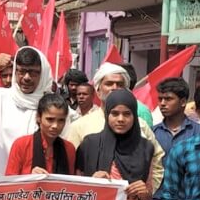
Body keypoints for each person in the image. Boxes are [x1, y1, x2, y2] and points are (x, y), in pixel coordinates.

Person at [63, 62, 164, 190]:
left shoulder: (141, 125)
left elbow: (157, 164)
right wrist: (88, 185)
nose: (114, 88)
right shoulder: (79, 126)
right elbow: (71, 168)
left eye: (120, 85)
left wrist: (146, 193)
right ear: (98, 90)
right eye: (109, 84)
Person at [0, 48, 55, 176]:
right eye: (21, 71)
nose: (26, 78)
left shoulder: (53, 106)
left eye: (33, 73)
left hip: (40, 185)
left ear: (43, 74)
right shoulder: (0, 97)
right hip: (4, 184)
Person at [5, 93, 75, 175]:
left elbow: (70, 182)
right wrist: (30, 177)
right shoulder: (21, 145)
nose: (55, 126)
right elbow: (10, 181)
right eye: (50, 119)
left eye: (61, 120)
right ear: (38, 117)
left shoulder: (69, 148)